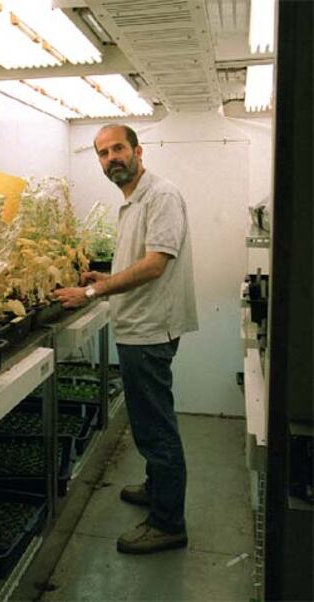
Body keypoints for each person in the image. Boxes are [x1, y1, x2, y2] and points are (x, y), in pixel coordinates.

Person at [54, 124, 198, 554]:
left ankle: (168, 523)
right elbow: (141, 260)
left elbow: (155, 264)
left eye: (118, 148)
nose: (111, 158)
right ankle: (158, 489)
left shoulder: (161, 195)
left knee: (156, 428)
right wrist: (106, 276)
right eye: (102, 153)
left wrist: (93, 291)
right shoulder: (134, 200)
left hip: (151, 329)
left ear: (138, 150)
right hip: (139, 324)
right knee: (149, 420)